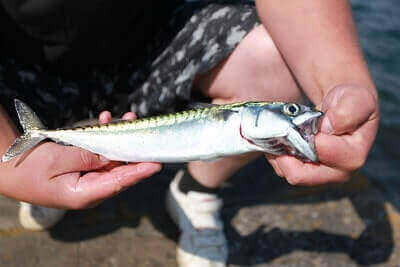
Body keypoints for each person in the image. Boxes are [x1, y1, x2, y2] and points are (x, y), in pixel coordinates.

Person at [0, 1, 379, 267]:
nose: (296, 115)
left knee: (274, 63)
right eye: (291, 113)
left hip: (152, 43)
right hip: (24, 61)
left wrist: (339, 83)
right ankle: (50, 161)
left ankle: (196, 190)